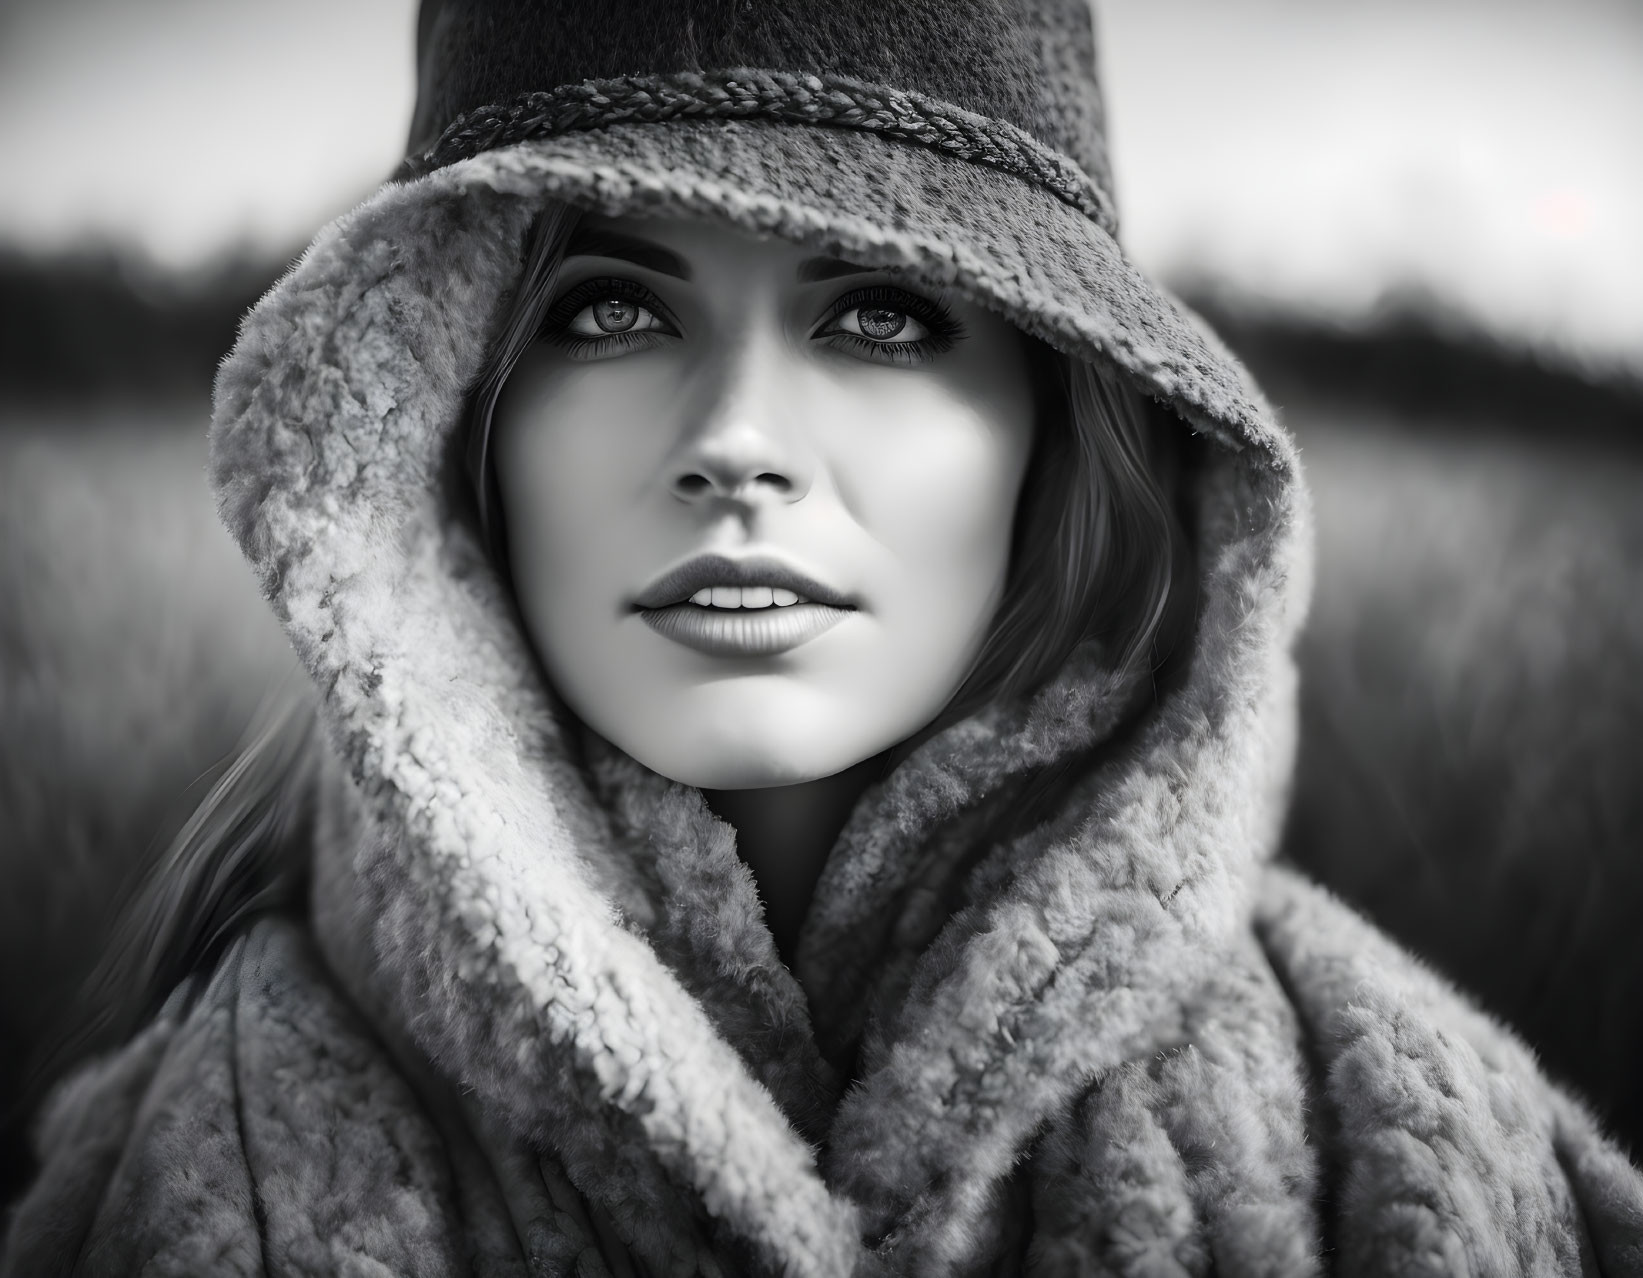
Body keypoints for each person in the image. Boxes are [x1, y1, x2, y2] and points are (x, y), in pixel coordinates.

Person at [5, 2, 1640, 1273]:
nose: (736, 440)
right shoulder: (184, 1167)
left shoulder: (1405, 1135)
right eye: (609, 308)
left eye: (883, 311)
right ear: (449, 418)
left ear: (1057, 429)